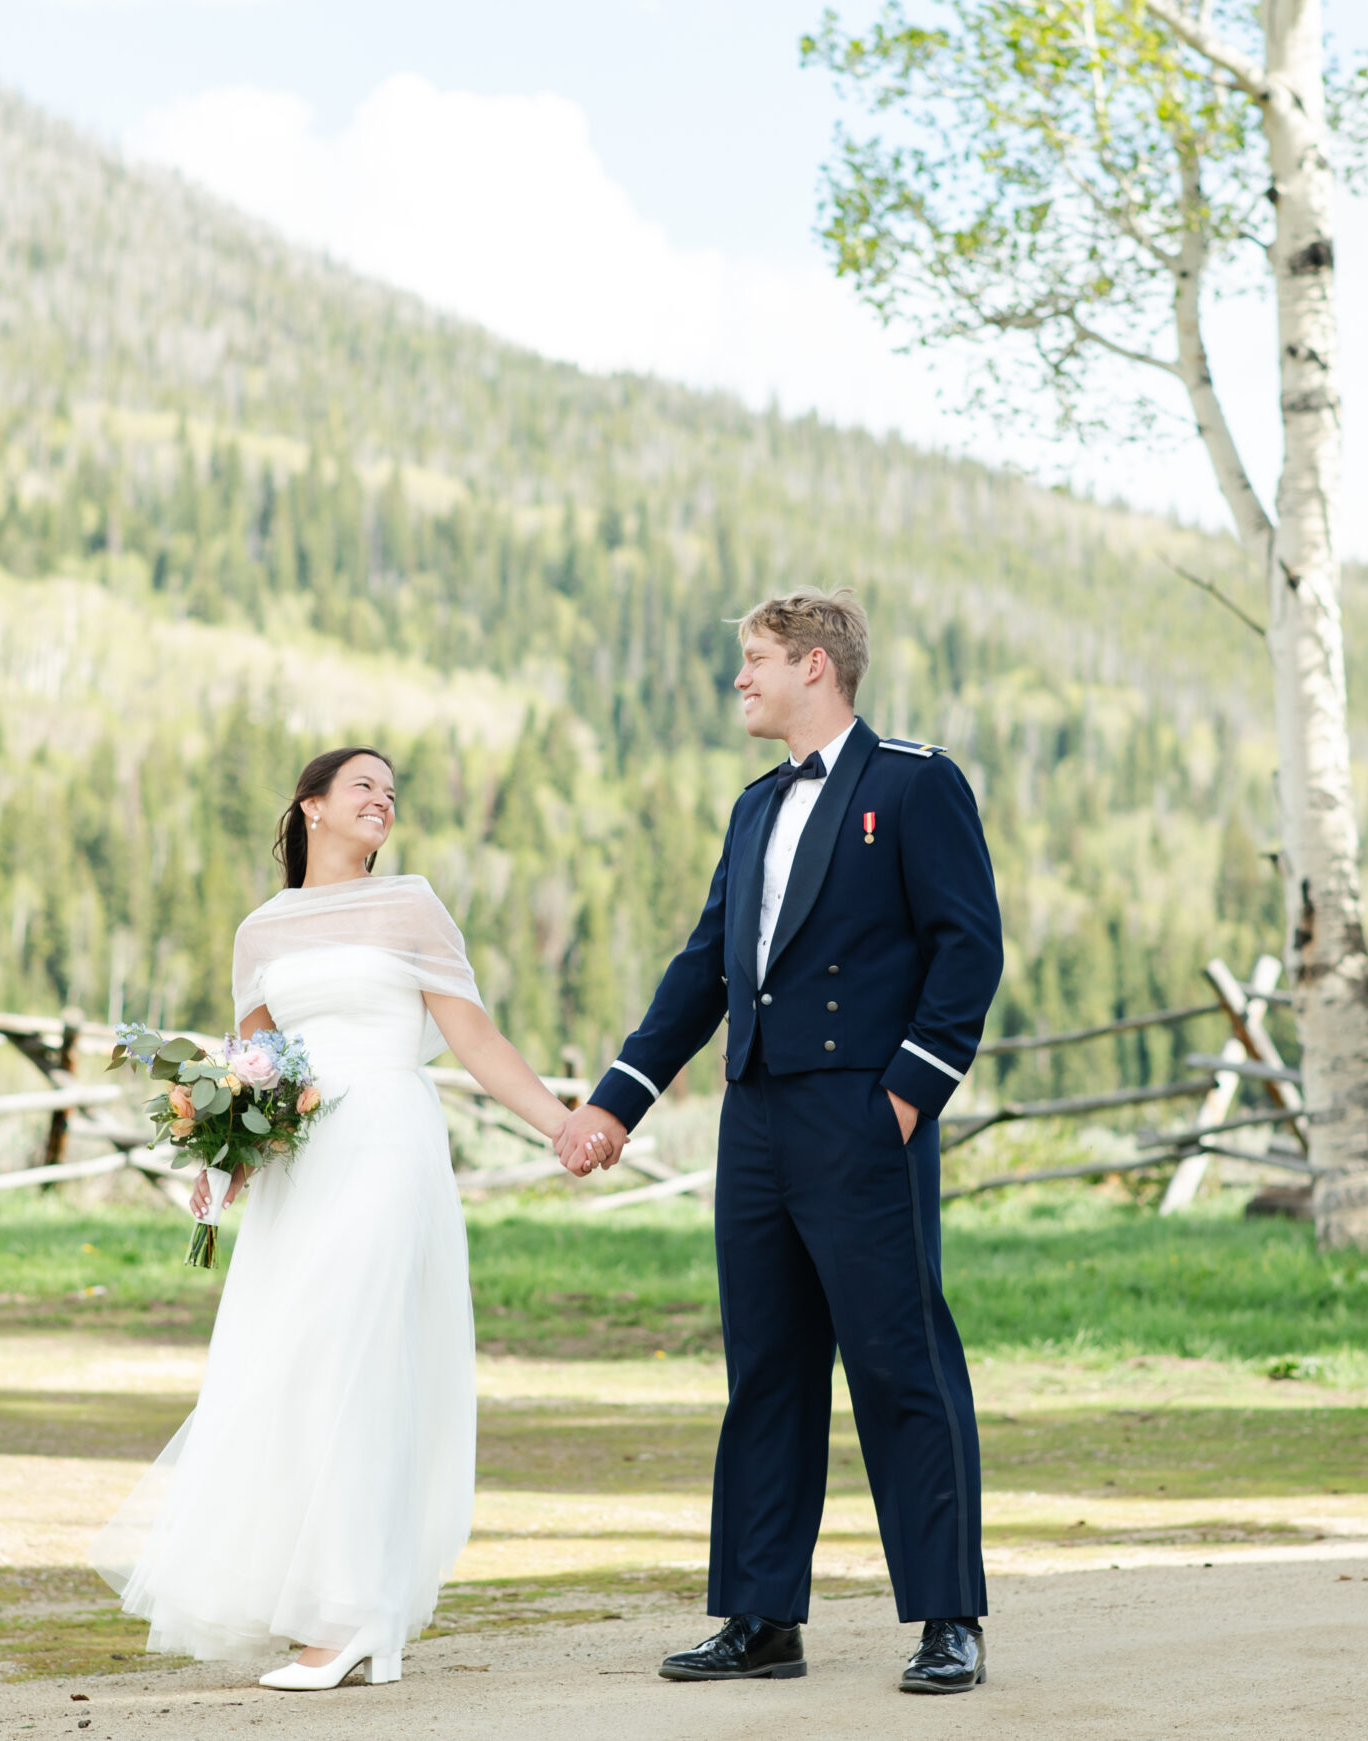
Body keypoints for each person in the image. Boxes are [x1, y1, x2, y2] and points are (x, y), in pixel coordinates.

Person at [553, 587, 1005, 1696]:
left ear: (814, 663)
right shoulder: (754, 805)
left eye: (754, 659)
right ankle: (762, 1615)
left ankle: (948, 1617)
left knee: (902, 1367)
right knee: (766, 1368)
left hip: (863, 1114)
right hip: (755, 1117)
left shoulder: (912, 780)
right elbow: (705, 964)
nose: (740, 679)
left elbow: (967, 947)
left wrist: (905, 1095)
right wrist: (619, 1097)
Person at [89, 746, 572, 1692]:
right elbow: (254, 1064)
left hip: (389, 1140)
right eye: (364, 786)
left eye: (393, 791)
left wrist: (563, 1126)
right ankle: (366, 1617)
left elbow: (474, 1036)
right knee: (306, 1367)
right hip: (302, 1167)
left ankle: (352, 1615)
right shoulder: (260, 930)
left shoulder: (413, 904)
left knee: (363, 1350)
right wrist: (224, 1170)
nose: (383, 799)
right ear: (311, 806)